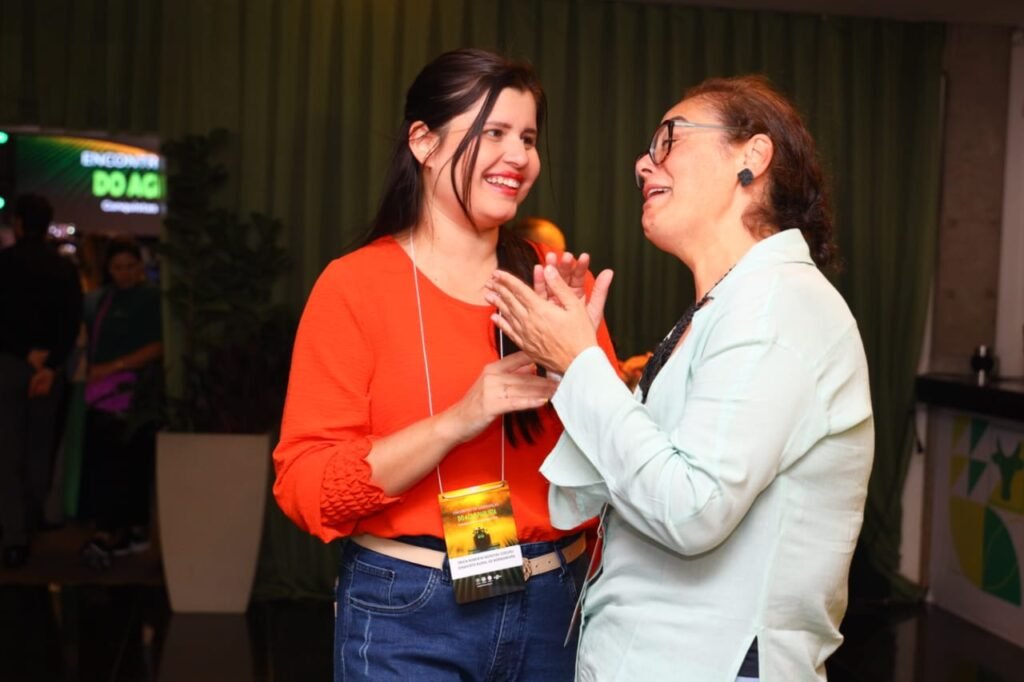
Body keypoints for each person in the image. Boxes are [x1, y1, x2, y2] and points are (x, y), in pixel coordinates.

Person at [486, 75, 874, 681]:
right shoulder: (727, 305)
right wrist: (569, 365)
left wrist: (583, 364)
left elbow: (691, 511)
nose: (643, 164)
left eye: (668, 138)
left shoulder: (777, 306)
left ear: (753, 156)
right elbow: (620, 487)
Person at [273, 48, 617, 680]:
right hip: (409, 608)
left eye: (528, 138)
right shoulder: (354, 286)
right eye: (494, 132)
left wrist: (575, 365)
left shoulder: (554, 285)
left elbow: (620, 465)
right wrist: (459, 419)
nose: (519, 156)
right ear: (424, 143)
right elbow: (308, 488)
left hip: (555, 604)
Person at [0, 194, 83, 568]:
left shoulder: (4, 264)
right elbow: (72, 321)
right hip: (50, 370)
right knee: (40, 449)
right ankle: (28, 522)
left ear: (18, 223)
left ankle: (14, 533)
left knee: (8, 452)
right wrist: (50, 362)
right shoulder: (63, 269)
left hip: (9, 365)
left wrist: (23, 353)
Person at [79, 238, 163, 568]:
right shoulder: (101, 300)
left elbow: (157, 346)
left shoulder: (150, 299)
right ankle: (116, 530)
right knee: (108, 464)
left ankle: (122, 530)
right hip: (103, 394)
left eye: (130, 266)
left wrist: (113, 367)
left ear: (140, 267)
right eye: (118, 267)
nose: (125, 273)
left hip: (134, 394)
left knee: (128, 465)